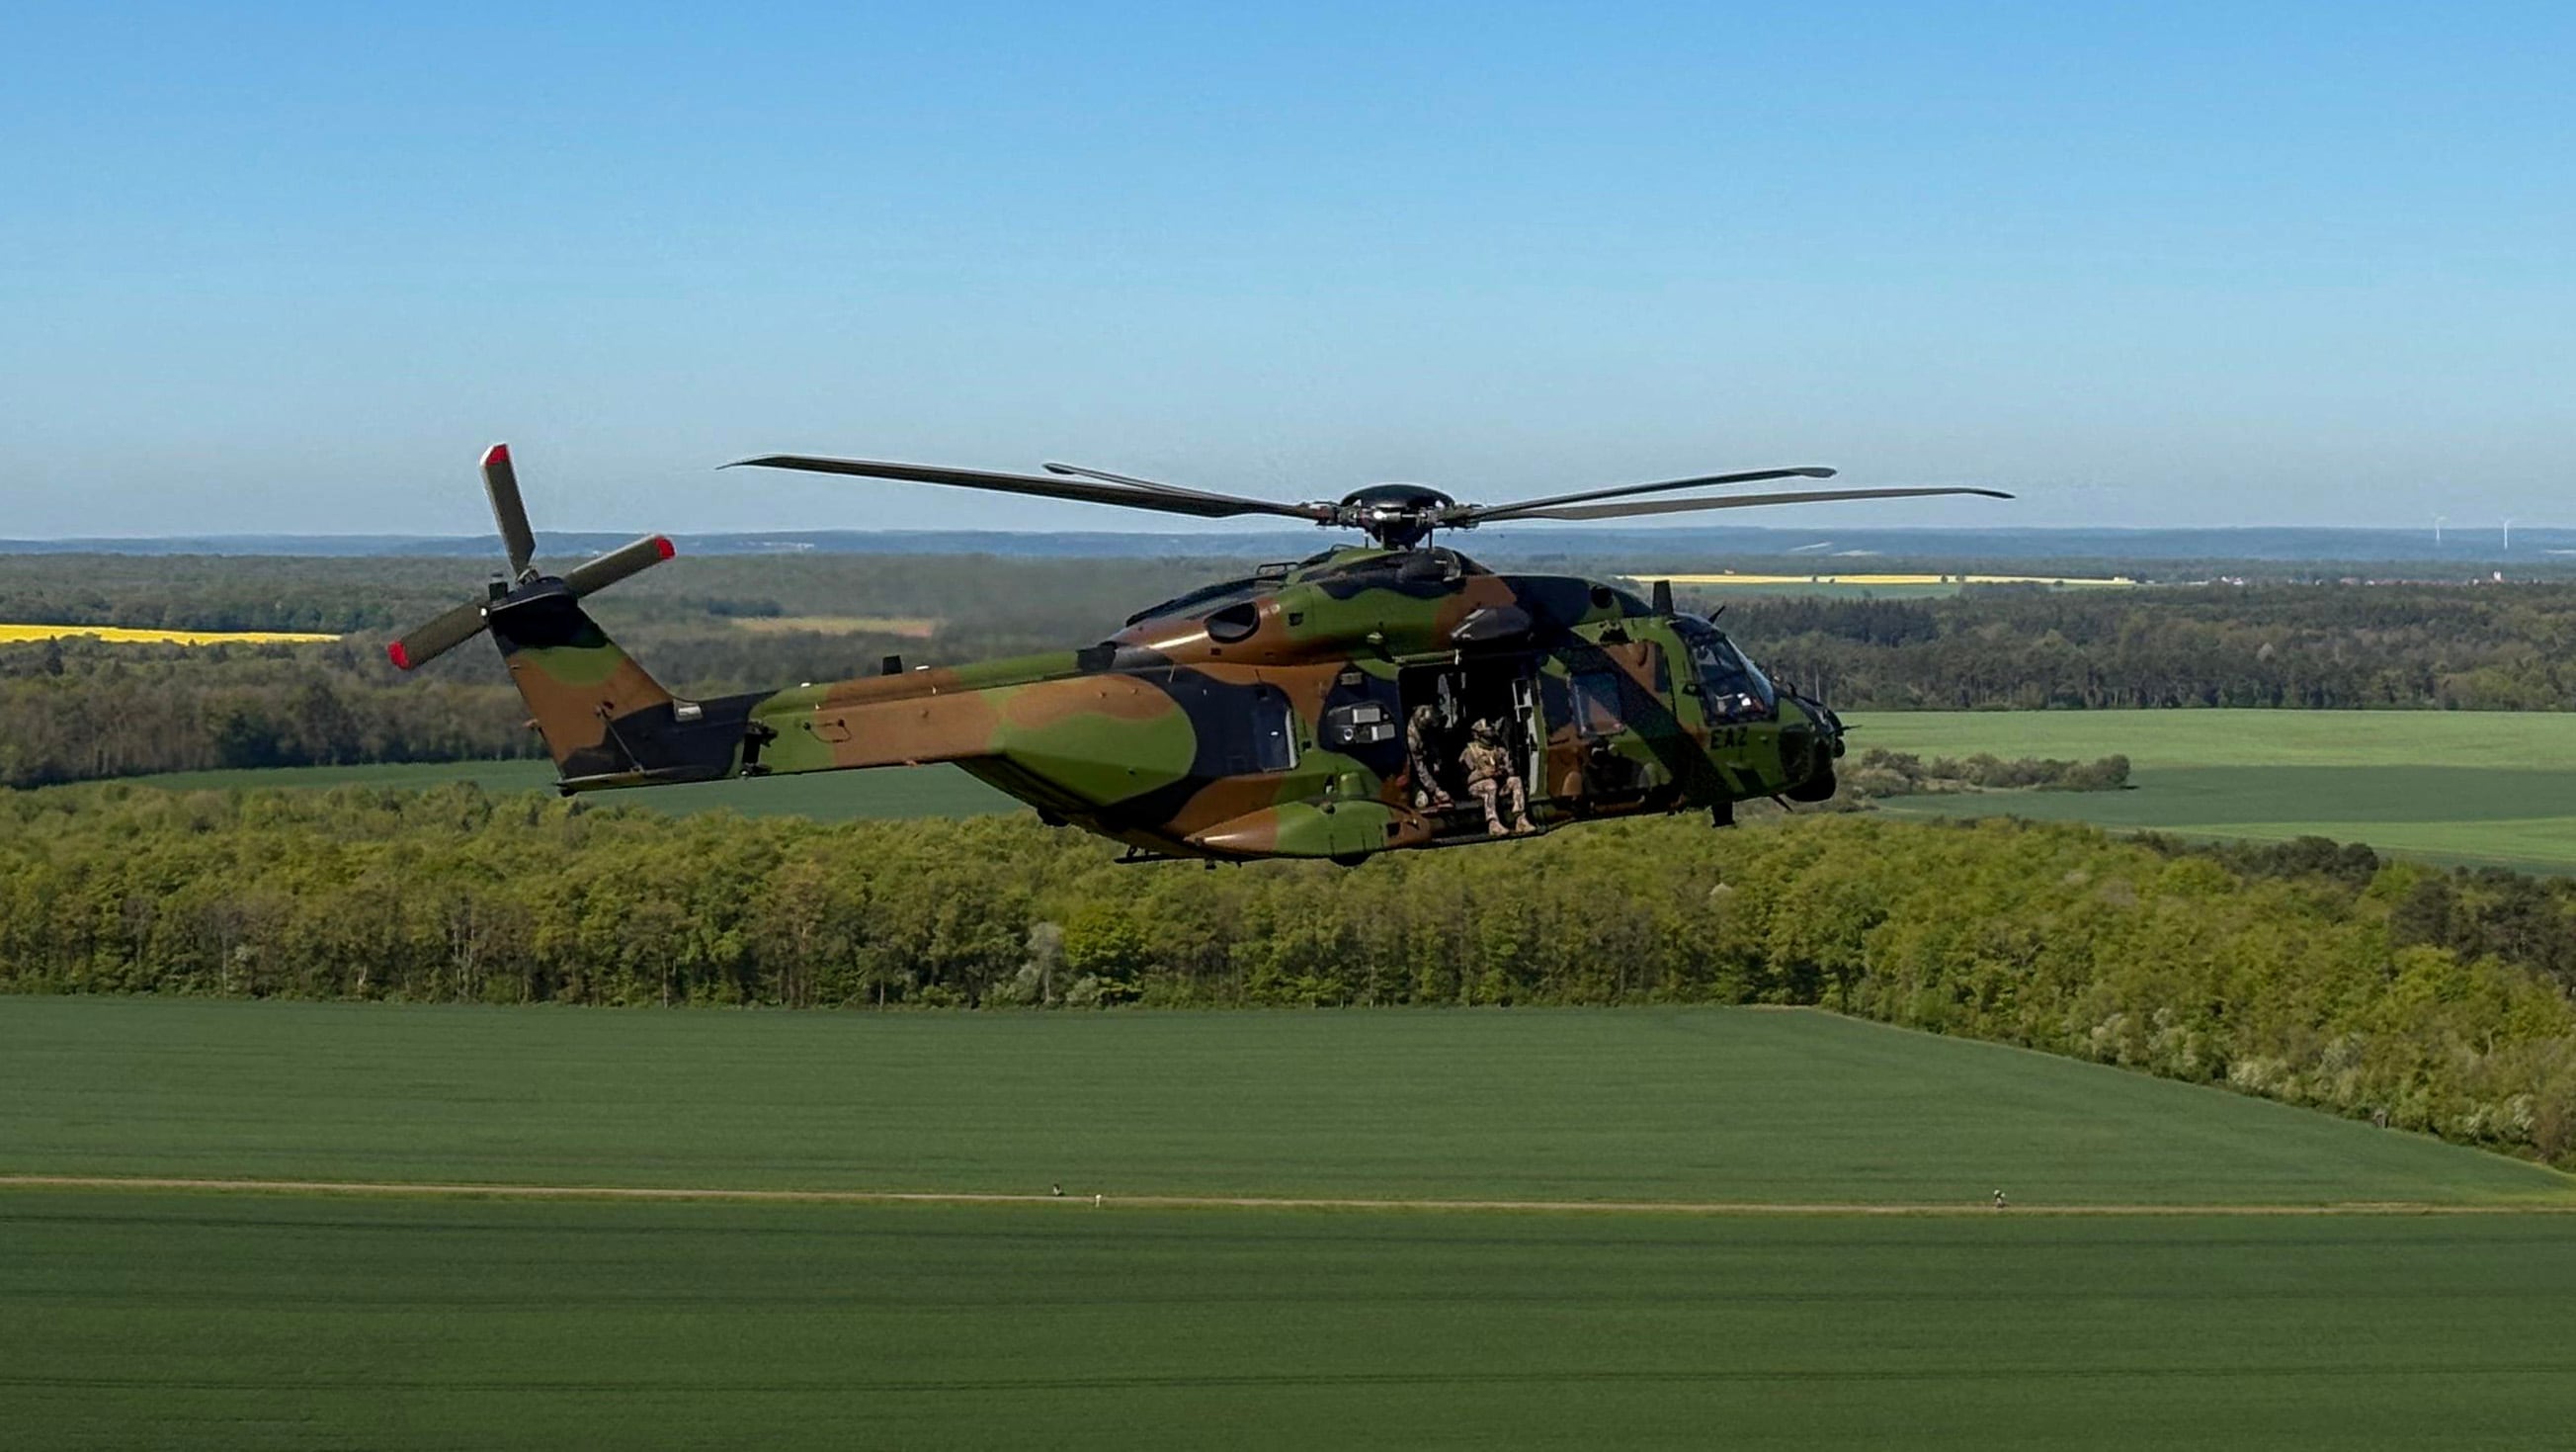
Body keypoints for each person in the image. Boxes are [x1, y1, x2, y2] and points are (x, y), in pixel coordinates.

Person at [1460, 719, 1536, 836]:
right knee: (1490, 784)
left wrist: (1502, 771)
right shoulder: (1469, 753)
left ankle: (1520, 819)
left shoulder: (1499, 750)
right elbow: (1464, 779)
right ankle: (1493, 823)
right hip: (1477, 787)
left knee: (1515, 781)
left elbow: (1510, 769)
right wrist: (1482, 774)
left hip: (1499, 784)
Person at [1405, 705, 1454, 811]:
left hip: (1429, 768)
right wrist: (1435, 789)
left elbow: (1433, 748)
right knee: (1423, 801)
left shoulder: (1427, 731)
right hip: (1414, 777)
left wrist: (1437, 762)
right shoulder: (1412, 740)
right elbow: (1420, 768)